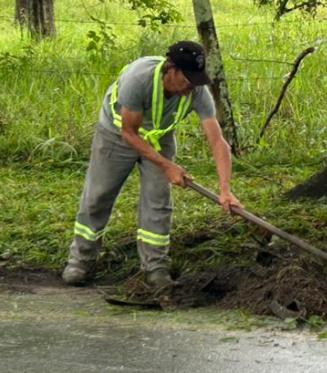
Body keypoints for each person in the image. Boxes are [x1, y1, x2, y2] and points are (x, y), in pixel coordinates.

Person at [62, 41, 241, 290]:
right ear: (173, 69)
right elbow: (130, 133)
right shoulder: (139, 80)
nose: (191, 86)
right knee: (98, 197)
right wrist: (167, 166)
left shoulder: (197, 91)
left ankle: (156, 267)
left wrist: (225, 189)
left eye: (195, 79)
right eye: (187, 78)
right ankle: (81, 261)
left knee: (158, 201)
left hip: (158, 138)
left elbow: (218, 141)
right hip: (116, 136)